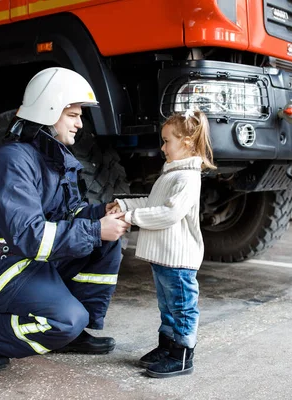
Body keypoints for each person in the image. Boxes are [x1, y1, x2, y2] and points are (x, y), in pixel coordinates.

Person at [0, 67, 130, 371]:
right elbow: (31, 236)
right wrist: (94, 230)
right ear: (49, 110)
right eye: (73, 115)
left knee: (107, 243)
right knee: (66, 317)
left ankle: (70, 334)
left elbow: (68, 215)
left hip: (25, 259)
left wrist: (99, 214)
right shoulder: (12, 162)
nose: (80, 123)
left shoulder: (55, 159)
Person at [108, 109, 215, 378]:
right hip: (165, 257)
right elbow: (153, 203)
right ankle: (167, 347)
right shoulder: (171, 174)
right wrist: (123, 205)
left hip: (179, 259)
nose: (162, 146)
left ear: (187, 143)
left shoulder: (187, 178)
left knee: (182, 307)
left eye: (167, 140)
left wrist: (131, 217)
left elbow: (169, 213)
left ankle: (182, 356)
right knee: (168, 307)